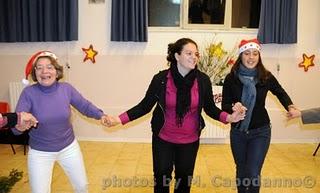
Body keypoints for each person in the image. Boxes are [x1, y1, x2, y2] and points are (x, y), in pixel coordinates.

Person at [103, 38, 245, 193]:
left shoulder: (202, 80)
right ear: (177, 56)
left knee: (184, 183)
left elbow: (210, 108)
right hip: (163, 139)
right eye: (189, 53)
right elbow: (144, 106)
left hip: (190, 141)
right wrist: (118, 119)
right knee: (162, 180)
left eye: (196, 54)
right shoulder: (161, 79)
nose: (194, 57)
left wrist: (229, 117)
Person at [12, 51, 108, 193]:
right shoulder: (28, 93)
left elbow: (84, 105)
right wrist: (20, 126)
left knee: (82, 187)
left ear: (57, 72)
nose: (44, 71)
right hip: (40, 153)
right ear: (35, 73)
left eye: (49, 67)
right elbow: (16, 126)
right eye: (39, 67)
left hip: (68, 148)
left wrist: (101, 115)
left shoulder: (66, 89)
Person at [222, 38, 301, 193]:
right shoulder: (231, 78)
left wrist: (290, 106)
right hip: (238, 132)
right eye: (247, 53)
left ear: (259, 56)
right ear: (241, 56)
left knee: (253, 172)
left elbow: (280, 92)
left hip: (261, 131)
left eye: (255, 53)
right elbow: (225, 104)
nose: (251, 57)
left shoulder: (266, 76)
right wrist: (233, 106)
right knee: (242, 170)